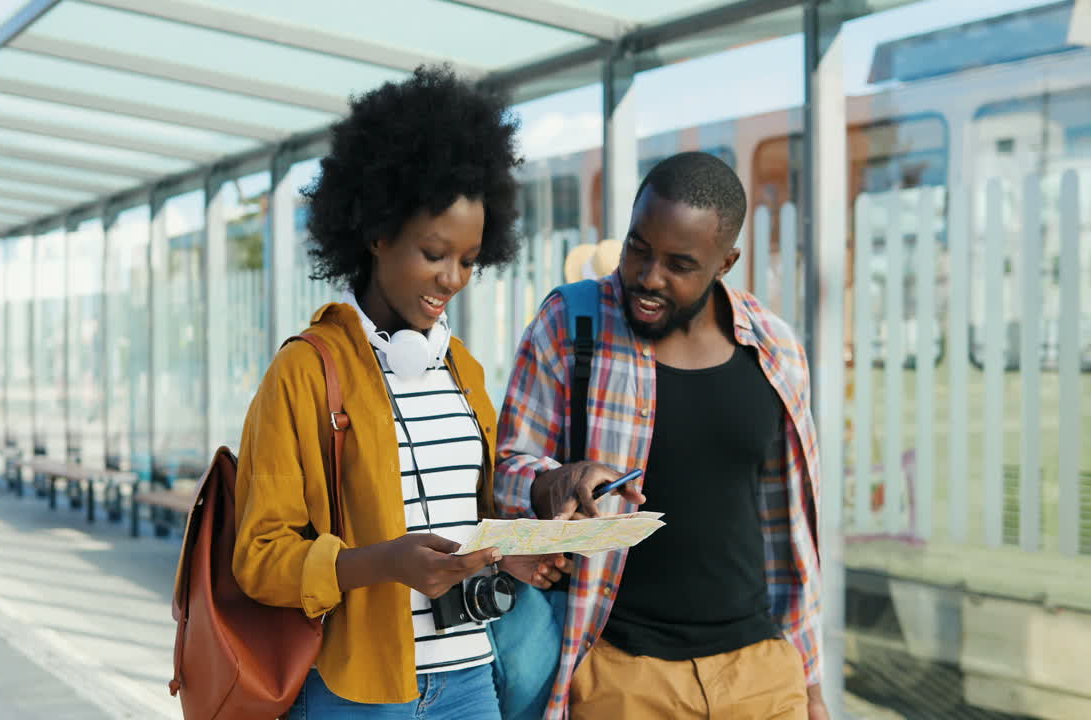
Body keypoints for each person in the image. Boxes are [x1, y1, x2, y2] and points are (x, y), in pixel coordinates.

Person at [231, 66, 562, 719]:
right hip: (355, 692)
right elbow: (259, 559)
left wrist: (511, 556)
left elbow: (466, 522)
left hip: (469, 680)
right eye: (435, 252)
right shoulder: (305, 372)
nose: (453, 279)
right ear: (379, 233)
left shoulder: (462, 370)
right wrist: (381, 563)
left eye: (469, 259)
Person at [495, 152, 828, 719]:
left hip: (761, 675)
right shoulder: (570, 324)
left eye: (679, 264)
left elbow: (789, 532)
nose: (649, 277)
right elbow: (503, 472)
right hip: (621, 678)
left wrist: (812, 685)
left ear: (726, 261)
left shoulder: (775, 350)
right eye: (637, 248)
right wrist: (553, 481)